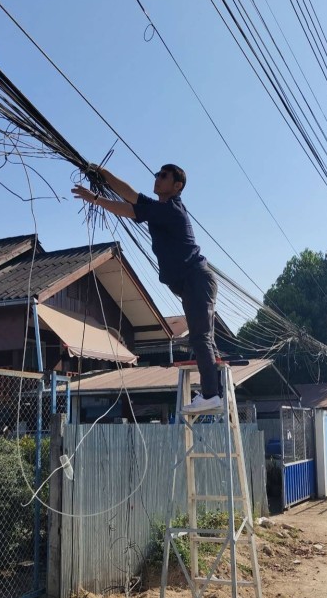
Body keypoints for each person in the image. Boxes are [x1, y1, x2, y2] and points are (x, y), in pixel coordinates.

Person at [72, 164, 222, 412]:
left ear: (177, 186)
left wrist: (96, 199)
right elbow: (132, 195)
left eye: (164, 176)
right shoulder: (159, 208)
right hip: (191, 283)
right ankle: (214, 391)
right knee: (203, 337)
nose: (158, 179)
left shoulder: (171, 210)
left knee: (200, 337)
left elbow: (130, 209)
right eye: (157, 174)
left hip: (196, 279)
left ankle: (210, 394)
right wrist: (104, 173)